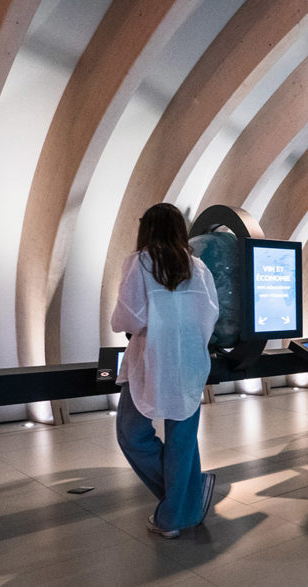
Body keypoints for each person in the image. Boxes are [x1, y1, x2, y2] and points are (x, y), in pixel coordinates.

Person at [112, 203, 219, 539]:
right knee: (182, 440)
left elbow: (129, 318)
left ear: (147, 228)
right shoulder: (198, 267)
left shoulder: (140, 261)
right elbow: (210, 315)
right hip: (190, 362)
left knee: (131, 432)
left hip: (151, 359)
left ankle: (177, 510)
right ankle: (182, 506)